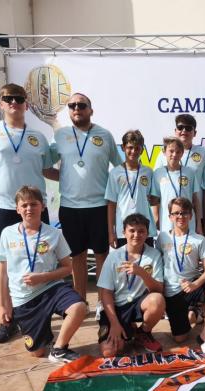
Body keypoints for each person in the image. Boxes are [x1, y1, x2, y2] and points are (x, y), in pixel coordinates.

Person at [0, 83, 55, 344]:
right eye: (9, 98)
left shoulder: (38, 137)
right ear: (2, 103)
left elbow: (48, 171)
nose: (14, 102)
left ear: (26, 103)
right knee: (3, 263)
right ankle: (6, 319)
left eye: (19, 98)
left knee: (40, 260)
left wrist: (80, 177)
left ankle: (38, 314)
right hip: (1, 208)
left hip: (34, 208)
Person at [50, 93, 122, 317]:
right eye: (72, 105)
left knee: (101, 255)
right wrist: (66, 179)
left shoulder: (104, 135)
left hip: (99, 206)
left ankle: (102, 302)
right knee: (77, 256)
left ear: (91, 110)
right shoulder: (60, 136)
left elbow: (119, 168)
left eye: (82, 105)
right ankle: (80, 302)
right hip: (70, 207)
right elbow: (44, 167)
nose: (76, 108)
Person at [0, 186, 86, 363]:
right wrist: (2, 306)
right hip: (24, 299)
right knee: (37, 352)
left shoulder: (54, 233)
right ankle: (42, 333)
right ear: (17, 209)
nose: (29, 208)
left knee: (79, 307)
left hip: (51, 288)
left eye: (34, 204)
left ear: (42, 206)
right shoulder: (7, 234)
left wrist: (43, 277)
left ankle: (59, 349)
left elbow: (68, 268)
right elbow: (2, 273)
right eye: (24, 205)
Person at [155, 197, 205, 354]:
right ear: (170, 216)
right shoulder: (162, 238)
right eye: (176, 213)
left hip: (193, 285)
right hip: (172, 292)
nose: (180, 216)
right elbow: (157, 264)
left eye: (184, 213)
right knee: (180, 338)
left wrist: (195, 284)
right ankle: (196, 313)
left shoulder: (199, 239)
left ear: (191, 216)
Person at [97, 213, 165, 356]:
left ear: (147, 233)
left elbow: (159, 289)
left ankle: (143, 333)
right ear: (124, 232)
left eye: (141, 231)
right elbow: (105, 293)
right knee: (109, 352)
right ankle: (127, 328)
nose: (136, 235)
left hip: (137, 304)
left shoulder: (154, 255)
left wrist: (142, 273)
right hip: (116, 307)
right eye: (132, 231)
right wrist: (114, 324)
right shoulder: (113, 256)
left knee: (157, 300)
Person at [154, 114, 205, 227]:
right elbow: (156, 190)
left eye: (188, 128)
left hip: (193, 214)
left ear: (194, 133)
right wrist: (156, 217)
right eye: (180, 127)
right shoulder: (162, 155)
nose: (184, 131)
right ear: (175, 131)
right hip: (168, 217)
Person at [105, 130, 157, 248]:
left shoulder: (148, 172)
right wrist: (111, 232)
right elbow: (111, 204)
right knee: (125, 259)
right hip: (123, 230)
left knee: (146, 259)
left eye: (137, 148)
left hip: (145, 229)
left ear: (142, 150)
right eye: (130, 147)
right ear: (123, 148)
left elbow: (154, 200)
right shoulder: (115, 173)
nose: (133, 151)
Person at [151, 137, 202, 234]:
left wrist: (199, 224)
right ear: (164, 152)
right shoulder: (158, 173)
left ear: (182, 153)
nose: (174, 154)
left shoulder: (189, 172)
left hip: (188, 221)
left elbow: (195, 200)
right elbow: (155, 200)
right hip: (167, 223)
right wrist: (156, 219)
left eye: (178, 152)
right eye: (171, 151)